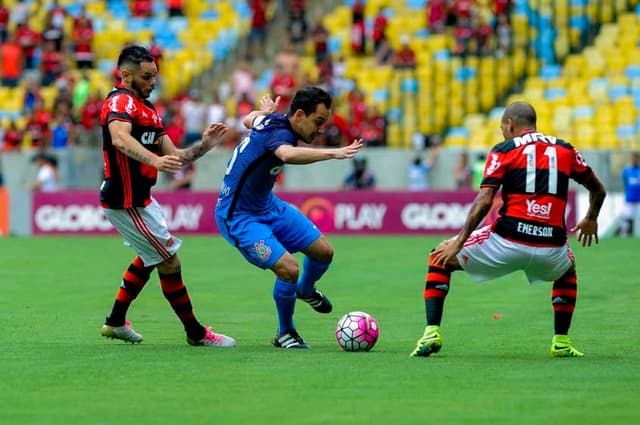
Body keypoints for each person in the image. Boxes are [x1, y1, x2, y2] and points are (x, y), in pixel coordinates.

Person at [410, 102, 606, 358]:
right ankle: (561, 341)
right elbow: (597, 189)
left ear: (510, 124)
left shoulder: (504, 150)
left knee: (439, 257)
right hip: (551, 247)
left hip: (507, 241)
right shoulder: (565, 149)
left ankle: (431, 333)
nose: (502, 132)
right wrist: (591, 218)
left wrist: (459, 241)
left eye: (502, 127)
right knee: (567, 270)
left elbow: (485, 200)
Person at [99, 45, 235, 348]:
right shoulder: (120, 102)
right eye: (147, 77)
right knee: (169, 262)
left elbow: (176, 158)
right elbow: (120, 138)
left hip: (141, 200)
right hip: (125, 200)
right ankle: (196, 333)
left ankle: (115, 321)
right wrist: (153, 160)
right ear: (126, 75)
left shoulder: (149, 111)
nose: (153, 82)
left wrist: (204, 145)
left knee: (151, 257)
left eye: (154, 76)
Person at [215, 87, 364, 349]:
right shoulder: (281, 133)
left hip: (268, 206)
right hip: (238, 216)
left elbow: (248, 119)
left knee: (323, 252)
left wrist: (264, 111)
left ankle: (305, 291)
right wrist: (333, 152)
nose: (320, 130)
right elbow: (287, 154)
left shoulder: (273, 120)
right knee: (289, 269)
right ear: (298, 114)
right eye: (318, 122)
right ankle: (285, 332)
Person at [620, 151, 640, 237]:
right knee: (625, 217)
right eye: (633, 158)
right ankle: (624, 235)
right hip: (630, 199)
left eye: (636, 158)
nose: (635, 160)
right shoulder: (626, 170)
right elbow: (625, 182)